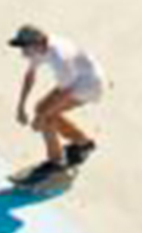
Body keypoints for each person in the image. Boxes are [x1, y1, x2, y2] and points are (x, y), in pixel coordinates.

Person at [9, 25, 102, 181]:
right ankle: (83, 143)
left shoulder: (60, 58)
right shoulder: (40, 48)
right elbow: (30, 76)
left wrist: (41, 117)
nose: (22, 51)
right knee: (41, 108)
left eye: (24, 46)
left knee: (46, 116)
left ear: (37, 44)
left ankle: (56, 163)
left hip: (89, 86)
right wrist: (21, 106)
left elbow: (66, 93)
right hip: (75, 80)